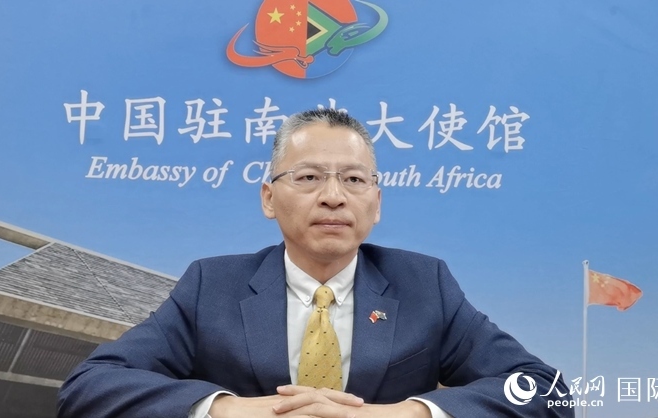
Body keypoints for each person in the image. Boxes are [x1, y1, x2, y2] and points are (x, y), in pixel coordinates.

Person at [57, 108, 572, 418]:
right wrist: (225, 408)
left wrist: (406, 413)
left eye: (354, 179)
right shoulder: (211, 284)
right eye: (308, 177)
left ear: (376, 202)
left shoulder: (424, 284)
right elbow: (90, 386)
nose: (333, 196)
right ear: (268, 197)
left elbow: (545, 391)